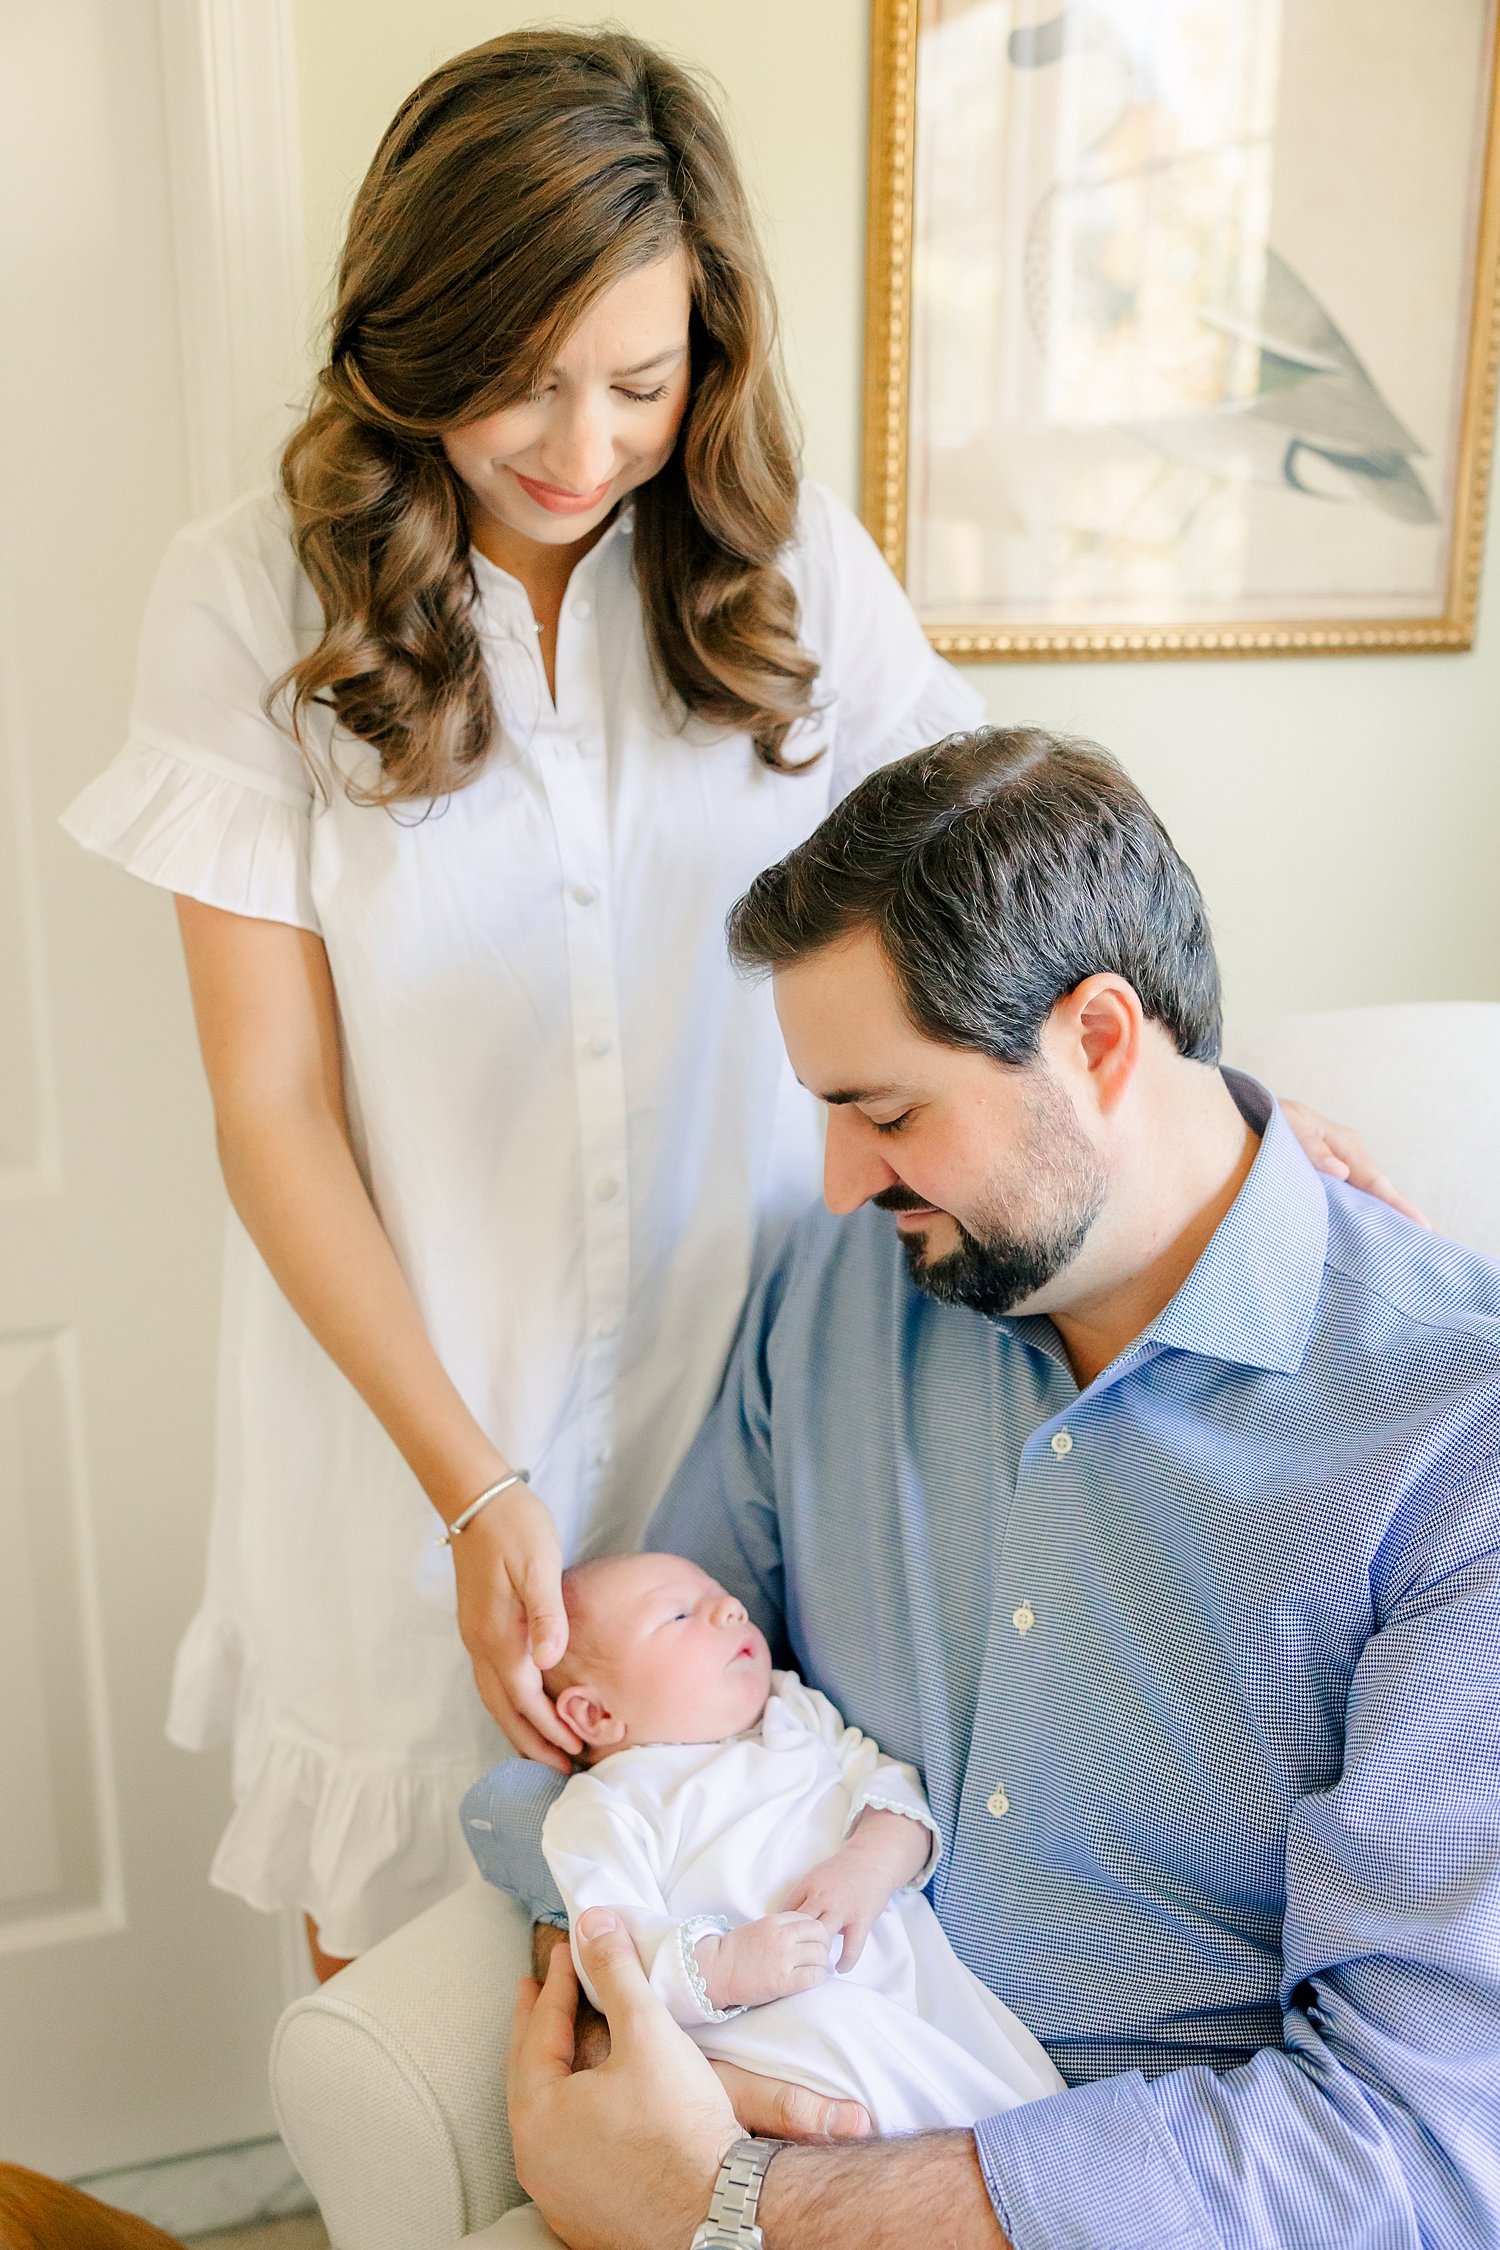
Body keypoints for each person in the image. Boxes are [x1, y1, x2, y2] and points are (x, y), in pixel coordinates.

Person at [57, 29, 993, 1973]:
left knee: (733, 1996)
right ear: (409, 338)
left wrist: (1204, 1103)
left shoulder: (785, 569)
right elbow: (274, 1111)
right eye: (513, 381)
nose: (578, 445)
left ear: (707, 357)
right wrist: (472, 1483)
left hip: (732, 1435)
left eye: (639, 383)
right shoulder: (248, 600)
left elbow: (987, 876)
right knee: (411, 2016)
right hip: (406, 1432)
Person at [482, 727, 1500, 2249]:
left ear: (1100, 1041)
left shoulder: (1449, 1446)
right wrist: (669, 1998)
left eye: (889, 1116)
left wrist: (746, 2201)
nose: (838, 1181)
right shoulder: (839, 1298)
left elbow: (1412, 2149)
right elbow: (596, 1736)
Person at [533, 1552, 1062, 2133]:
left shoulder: (792, 1709)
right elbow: (610, 1948)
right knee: (844, 2035)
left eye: (720, 1592)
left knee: (1010, 2074)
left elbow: (890, 1784)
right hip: (773, 2012)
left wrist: (869, 1861)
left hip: (904, 1960)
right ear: (595, 1712)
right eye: (680, 1615)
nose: (730, 1607)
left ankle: (1039, 2158)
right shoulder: (604, 1805)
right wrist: (726, 1966)